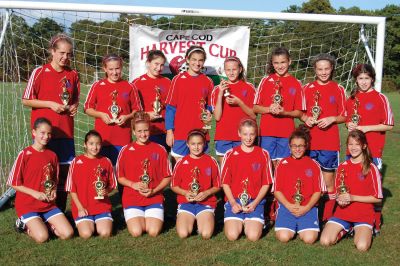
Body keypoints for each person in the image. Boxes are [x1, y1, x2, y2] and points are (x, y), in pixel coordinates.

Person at [22, 33, 80, 211]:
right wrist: (49, 104)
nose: (65, 57)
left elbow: (75, 99)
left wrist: (73, 107)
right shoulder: (39, 72)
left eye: (69, 54)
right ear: (52, 52)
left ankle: (59, 212)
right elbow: (26, 100)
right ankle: (35, 212)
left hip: (65, 133)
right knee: (42, 174)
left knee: (63, 174)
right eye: (61, 53)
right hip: (44, 135)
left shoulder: (73, 74)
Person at [7, 118, 73, 243]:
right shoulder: (25, 154)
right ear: (34, 132)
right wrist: (35, 194)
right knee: (42, 237)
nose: (46, 136)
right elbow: (13, 183)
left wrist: (53, 191)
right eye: (42, 133)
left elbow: (53, 180)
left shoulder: (52, 155)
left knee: (67, 233)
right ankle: (23, 224)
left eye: (49, 133)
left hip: (47, 205)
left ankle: (45, 224)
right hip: (28, 205)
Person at [345, 64, 394, 234]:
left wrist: (367, 128)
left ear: (372, 79)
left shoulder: (381, 98)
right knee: (351, 186)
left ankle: (375, 221)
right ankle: (351, 221)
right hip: (352, 151)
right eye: (360, 78)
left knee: (373, 188)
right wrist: (349, 125)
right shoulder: (351, 98)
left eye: (366, 78)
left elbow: (388, 125)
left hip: (373, 150)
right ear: (356, 80)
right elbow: (348, 120)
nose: (363, 82)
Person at [301, 53, 346, 222]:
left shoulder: (339, 89)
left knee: (329, 182)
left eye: (326, 68)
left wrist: (332, 118)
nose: (323, 72)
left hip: (329, 142)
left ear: (332, 68)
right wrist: (307, 118)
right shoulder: (306, 88)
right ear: (315, 70)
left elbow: (345, 115)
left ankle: (328, 217)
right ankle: (309, 214)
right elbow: (301, 112)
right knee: (308, 179)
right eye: (320, 69)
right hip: (309, 142)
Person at [320, 130, 383, 252]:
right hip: (343, 213)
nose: (353, 148)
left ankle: (362, 229)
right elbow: (339, 192)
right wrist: (340, 199)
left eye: (357, 144)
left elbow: (378, 198)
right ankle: (346, 229)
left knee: (361, 246)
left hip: (363, 214)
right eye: (350, 144)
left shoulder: (371, 168)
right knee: (325, 241)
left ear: (364, 146)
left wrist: (353, 197)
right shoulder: (342, 166)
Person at [117, 111, 171, 237]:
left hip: (154, 196)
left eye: (145, 130)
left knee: (153, 232)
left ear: (150, 130)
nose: (143, 134)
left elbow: (167, 177)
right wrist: (133, 184)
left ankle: (154, 212)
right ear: (134, 132)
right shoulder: (125, 150)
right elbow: (120, 177)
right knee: (137, 232)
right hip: (132, 198)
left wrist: (154, 191)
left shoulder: (159, 149)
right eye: (139, 131)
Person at [84, 54, 142, 166]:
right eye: (111, 69)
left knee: (121, 172)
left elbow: (138, 110)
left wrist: (127, 116)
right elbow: (87, 108)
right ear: (104, 69)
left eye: (117, 68)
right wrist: (100, 114)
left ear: (121, 67)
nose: (114, 72)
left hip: (123, 138)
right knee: (101, 173)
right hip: (101, 140)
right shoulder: (97, 86)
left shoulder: (130, 86)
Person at [221, 118, 273, 241]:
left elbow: (266, 183)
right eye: (245, 134)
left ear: (256, 135)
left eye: (252, 134)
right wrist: (233, 203)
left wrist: (255, 204)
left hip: (255, 201)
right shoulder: (230, 154)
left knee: (253, 236)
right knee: (232, 236)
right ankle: (238, 220)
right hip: (235, 201)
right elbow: (225, 182)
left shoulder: (264, 154)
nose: (248, 138)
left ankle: (256, 221)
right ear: (239, 134)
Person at [274, 125, 325, 244]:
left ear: (306, 146)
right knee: (283, 237)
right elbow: (277, 190)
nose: (298, 149)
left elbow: (318, 191)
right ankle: (289, 224)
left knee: (309, 239)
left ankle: (303, 225)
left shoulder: (314, 164)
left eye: (301, 146)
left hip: (307, 208)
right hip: (287, 208)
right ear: (289, 146)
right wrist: (288, 205)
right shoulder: (282, 164)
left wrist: (306, 208)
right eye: (294, 146)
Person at [253, 47, 304, 167]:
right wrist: (269, 109)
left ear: (289, 61)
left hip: (286, 133)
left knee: (283, 167)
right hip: (267, 132)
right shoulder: (265, 81)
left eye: (283, 62)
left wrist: (284, 112)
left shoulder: (296, 83)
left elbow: (299, 113)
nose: (280, 66)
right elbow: (255, 108)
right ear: (272, 63)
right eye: (276, 63)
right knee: (268, 166)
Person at [165, 45, 213, 162]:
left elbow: (209, 108)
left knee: (200, 166)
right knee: (180, 167)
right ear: (187, 59)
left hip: (200, 133)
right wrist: (169, 132)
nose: (197, 63)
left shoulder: (208, 81)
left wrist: (207, 125)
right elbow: (170, 108)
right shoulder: (178, 80)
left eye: (200, 60)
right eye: (194, 60)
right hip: (181, 133)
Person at [65, 130, 117, 239]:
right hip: (83, 207)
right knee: (86, 234)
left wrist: (106, 191)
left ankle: (103, 219)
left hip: (101, 207)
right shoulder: (76, 162)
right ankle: (78, 221)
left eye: (98, 144)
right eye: (91, 144)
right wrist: (79, 208)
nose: (95, 147)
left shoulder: (106, 161)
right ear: (85, 144)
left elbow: (112, 184)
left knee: (105, 233)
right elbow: (71, 188)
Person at [171, 129, 220, 239]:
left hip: (206, 202)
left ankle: (204, 219)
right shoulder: (181, 162)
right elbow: (174, 186)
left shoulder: (211, 161)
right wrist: (185, 193)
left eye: (199, 144)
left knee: (206, 234)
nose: (196, 147)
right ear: (187, 144)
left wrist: (207, 193)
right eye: (193, 144)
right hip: (186, 202)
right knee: (183, 234)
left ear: (204, 144)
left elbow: (218, 185)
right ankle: (188, 219)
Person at [212, 56, 256, 163]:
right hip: (224, 136)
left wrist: (240, 103)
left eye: (234, 69)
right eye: (228, 70)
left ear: (240, 69)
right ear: (224, 70)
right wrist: (220, 94)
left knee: (243, 170)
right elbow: (217, 117)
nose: (231, 73)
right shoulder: (217, 89)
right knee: (225, 172)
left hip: (244, 136)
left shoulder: (249, 87)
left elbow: (253, 115)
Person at [133, 50, 171, 151]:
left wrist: (170, 130)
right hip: (145, 132)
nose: (159, 68)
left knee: (165, 162)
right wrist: (145, 115)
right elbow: (131, 110)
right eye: (156, 64)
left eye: (162, 65)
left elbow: (172, 108)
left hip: (165, 131)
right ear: (148, 63)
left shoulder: (167, 82)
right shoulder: (137, 83)